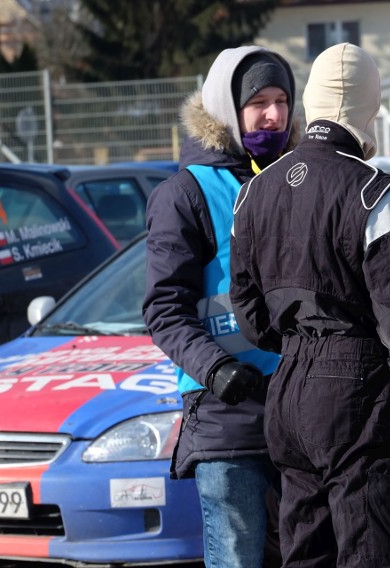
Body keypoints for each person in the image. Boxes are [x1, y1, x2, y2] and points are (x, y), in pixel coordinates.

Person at [229, 42, 390, 567]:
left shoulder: (254, 193)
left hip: (288, 389)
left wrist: (303, 344)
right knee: (373, 546)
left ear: (312, 103)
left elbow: (250, 316)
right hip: (358, 387)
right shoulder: (376, 192)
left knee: (305, 550)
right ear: (370, 106)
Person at [142, 45, 298, 568]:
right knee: (237, 555)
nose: (274, 115)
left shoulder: (299, 178)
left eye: (282, 100)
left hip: (304, 402)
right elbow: (165, 307)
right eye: (258, 102)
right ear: (227, 107)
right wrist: (217, 368)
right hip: (226, 412)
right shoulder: (185, 193)